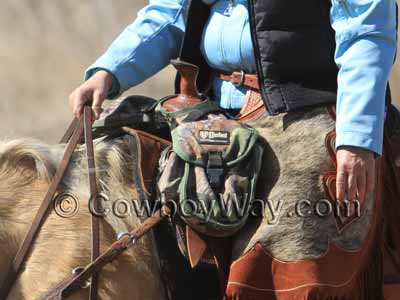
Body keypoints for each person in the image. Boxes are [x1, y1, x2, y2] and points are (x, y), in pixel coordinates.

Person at [69, 0, 397, 299]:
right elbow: (170, 13)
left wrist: (355, 138)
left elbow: (365, 33)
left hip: (310, 108)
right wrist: (108, 72)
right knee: (109, 166)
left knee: (297, 228)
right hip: (211, 107)